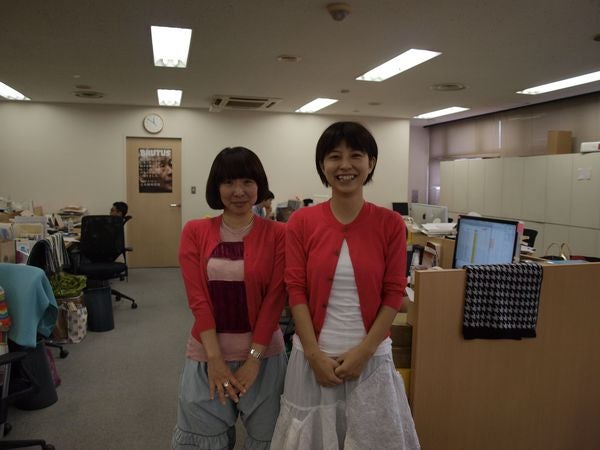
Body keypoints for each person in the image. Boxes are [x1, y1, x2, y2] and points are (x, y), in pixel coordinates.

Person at [270, 122, 420, 449]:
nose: (345, 165)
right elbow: (295, 289)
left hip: (371, 359)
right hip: (312, 358)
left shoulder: (391, 224)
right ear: (322, 165)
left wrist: (363, 353)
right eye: (334, 156)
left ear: (371, 162)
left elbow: (394, 292)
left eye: (356, 155)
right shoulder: (301, 222)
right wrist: (314, 355)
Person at [172, 147, 287, 450]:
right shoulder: (195, 231)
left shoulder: (279, 234)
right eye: (228, 182)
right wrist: (215, 360)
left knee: (268, 439)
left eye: (247, 181)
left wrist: (253, 361)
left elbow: (274, 302)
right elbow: (198, 300)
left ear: (259, 186)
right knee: (203, 439)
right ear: (216, 187)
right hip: (207, 357)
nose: (238, 191)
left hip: (265, 358)